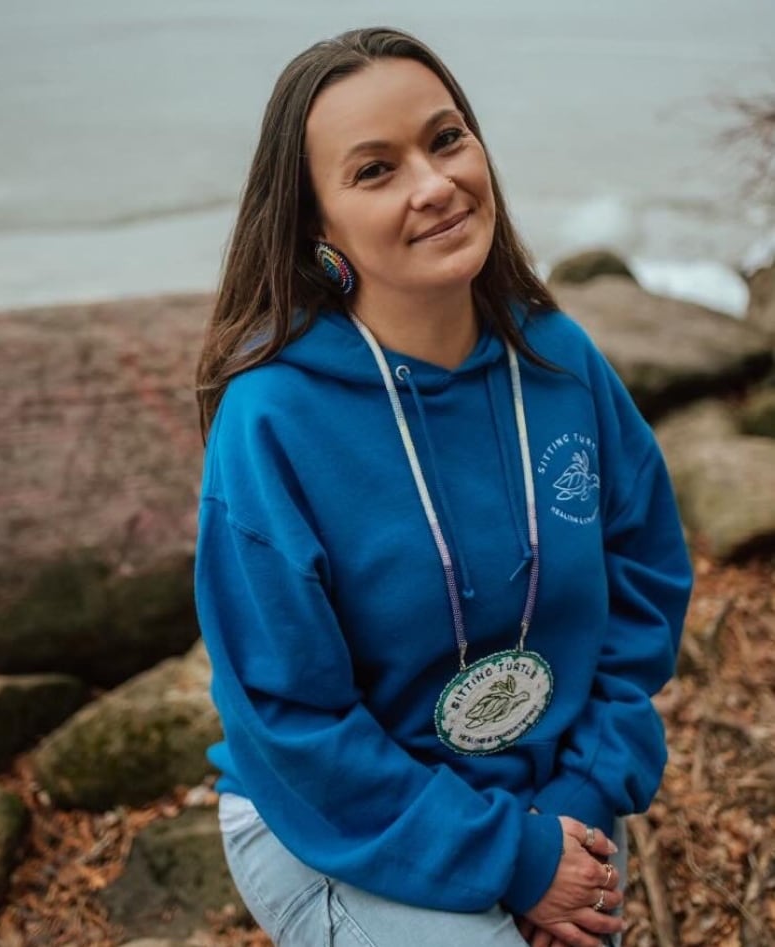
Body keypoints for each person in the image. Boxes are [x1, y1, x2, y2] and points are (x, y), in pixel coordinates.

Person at [193, 26, 692, 947]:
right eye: (375, 170)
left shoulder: (557, 359)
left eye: (446, 137)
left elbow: (646, 584)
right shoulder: (272, 422)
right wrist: (515, 859)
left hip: (550, 791)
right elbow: (291, 721)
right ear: (316, 226)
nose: (434, 184)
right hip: (337, 820)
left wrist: (574, 808)